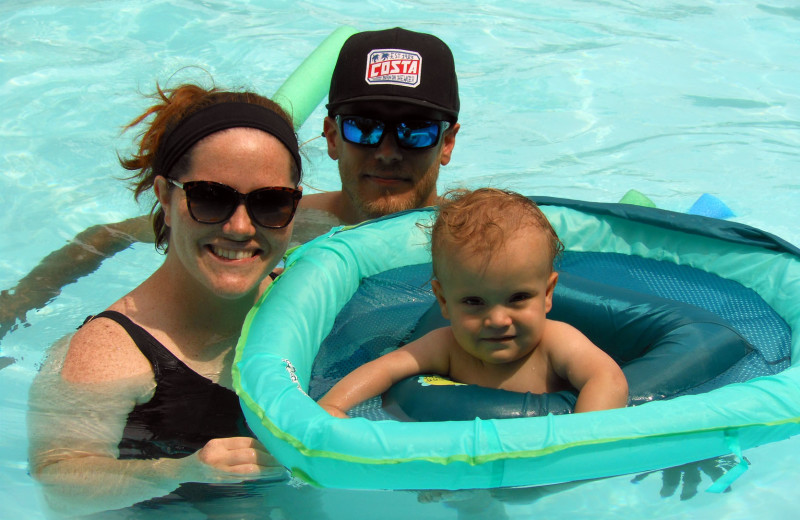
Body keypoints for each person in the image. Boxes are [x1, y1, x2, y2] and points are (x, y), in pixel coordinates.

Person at [1, 27, 459, 341]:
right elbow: (105, 236)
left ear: (448, 143)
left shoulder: (477, 235)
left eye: (416, 131)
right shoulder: (282, 219)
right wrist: (16, 304)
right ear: (333, 136)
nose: (387, 150)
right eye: (365, 127)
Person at [27, 83, 302, 514]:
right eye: (211, 198)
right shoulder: (110, 354)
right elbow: (59, 481)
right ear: (165, 195)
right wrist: (176, 470)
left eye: (271, 203)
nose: (241, 227)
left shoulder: (302, 299)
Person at [318, 188, 629, 418]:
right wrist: (332, 407)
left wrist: (573, 445)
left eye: (518, 298)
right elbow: (383, 369)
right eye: (474, 301)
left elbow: (607, 378)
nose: (497, 319)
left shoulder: (556, 344)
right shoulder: (447, 346)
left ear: (547, 294)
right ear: (443, 300)